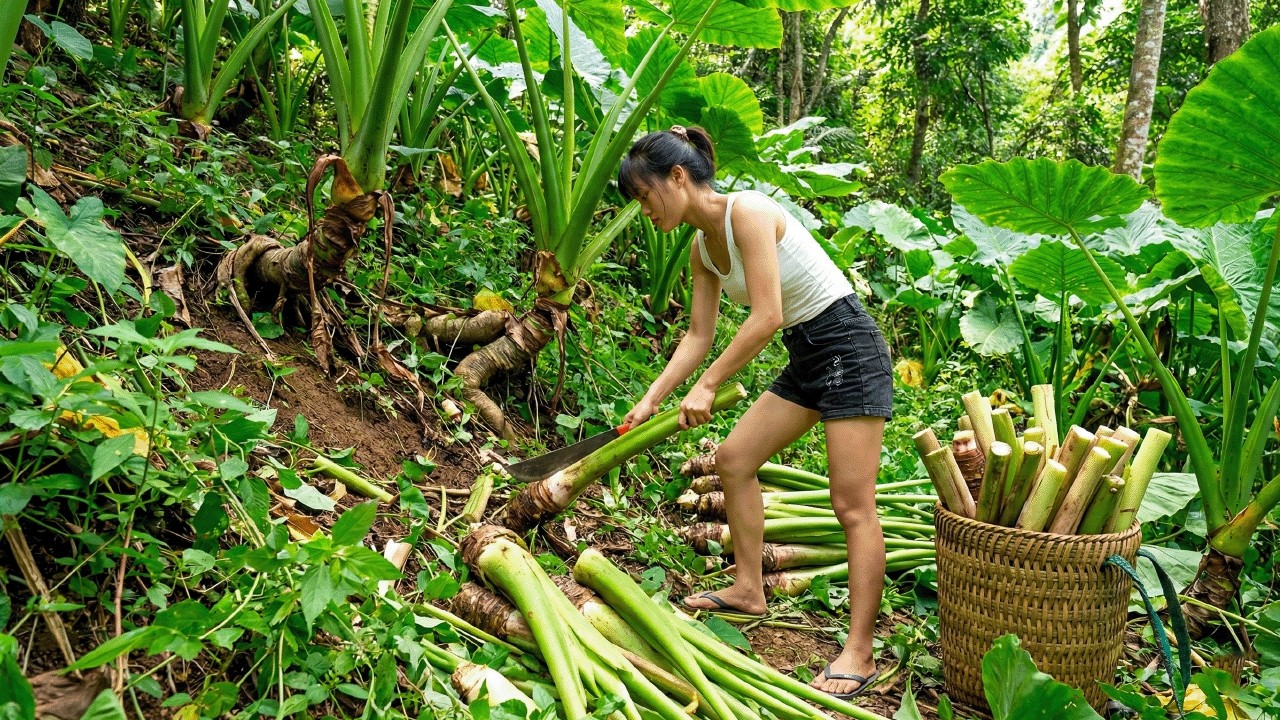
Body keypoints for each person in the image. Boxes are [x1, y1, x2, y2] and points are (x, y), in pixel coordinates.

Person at [618, 126, 894, 701]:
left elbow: (766, 315)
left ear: (678, 177)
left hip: (848, 346)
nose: (644, 210)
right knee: (735, 460)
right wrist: (652, 398)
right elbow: (698, 335)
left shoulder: (747, 211)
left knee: (852, 504)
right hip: (808, 352)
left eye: (645, 195)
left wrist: (710, 385)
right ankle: (749, 588)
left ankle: (860, 651)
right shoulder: (701, 249)